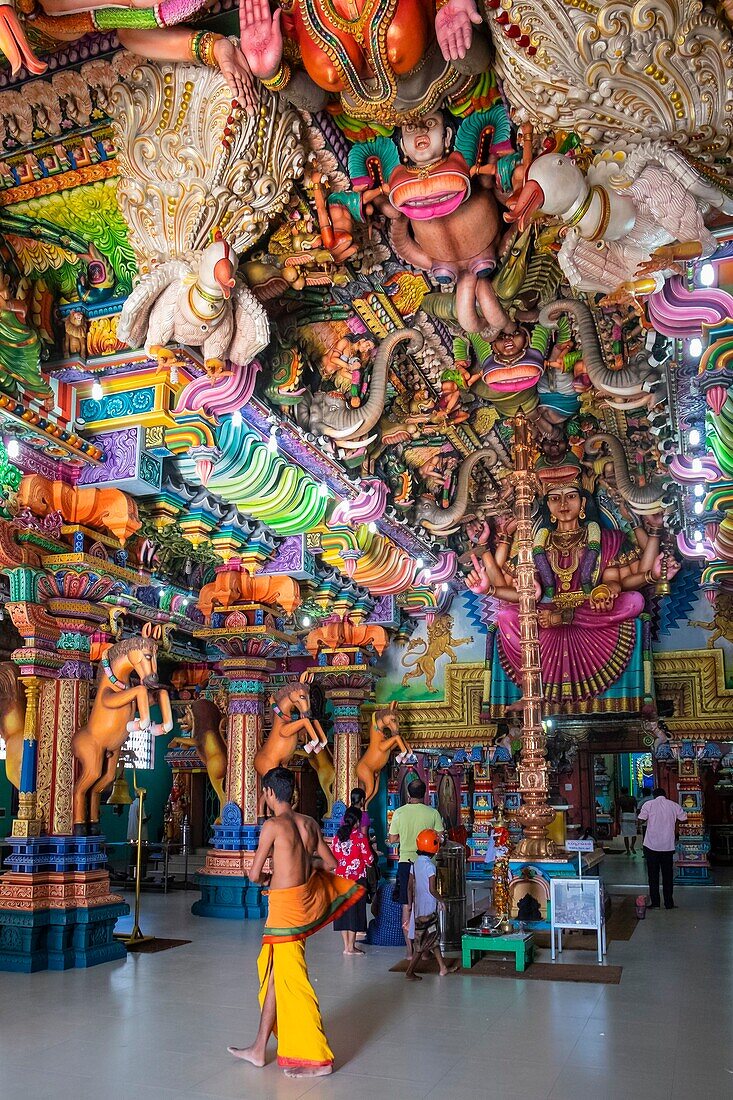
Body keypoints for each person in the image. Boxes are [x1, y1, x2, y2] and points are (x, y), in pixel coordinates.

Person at [227, 767, 363, 1078]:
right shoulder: (310, 823)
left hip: (283, 912)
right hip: (299, 905)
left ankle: (319, 1059)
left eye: (264, 792)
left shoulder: (273, 826)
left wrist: (271, 875)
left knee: (294, 981)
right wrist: (304, 865)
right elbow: (330, 863)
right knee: (274, 973)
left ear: (270, 794)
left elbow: (253, 874)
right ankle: (259, 1048)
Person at [387, 778, 444, 957]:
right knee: (426, 908)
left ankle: (410, 951)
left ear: (409, 794)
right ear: (425, 793)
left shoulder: (399, 813)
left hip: (406, 863)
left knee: (407, 906)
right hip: (427, 865)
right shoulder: (432, 813)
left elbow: (393, 839)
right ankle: (426, 950)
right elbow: (440, 838)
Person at [405, 829, 459, 981]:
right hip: (429, 909)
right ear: (433, 847)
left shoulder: (414, 864)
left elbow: (409, 887)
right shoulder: (430, 867)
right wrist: (442, 901)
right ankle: (409, 972)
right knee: (422, 944)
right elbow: (432, 889)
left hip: (418, 908)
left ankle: (443, 968)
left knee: (433, 937)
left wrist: (409, 904)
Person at [332, 806, 373, 955]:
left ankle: (346, 946)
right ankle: (351, 946)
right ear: (357, 821)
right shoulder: (360, 838)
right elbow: (369, 859)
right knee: (355, 912)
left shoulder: (338, 836)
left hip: (340, 880)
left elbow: (333, 856)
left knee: (343, 911)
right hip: (357, 880)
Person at [638, 787, 687, 910]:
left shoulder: (648, 804)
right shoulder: (673, 805)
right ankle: (669, 903)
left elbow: (641, 819)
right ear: (665, 795)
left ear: (654, 795)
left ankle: (655, 903)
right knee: (667, 875)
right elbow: (684, 818)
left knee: (653, 875)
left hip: (651, 845)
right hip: (667, 846)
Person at [616, 787, 638, 855]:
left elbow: (617, 809)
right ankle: (632, 846)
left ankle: (628, 850)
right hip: (632, 816)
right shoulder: (633, 798)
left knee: (626, 835)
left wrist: (617, 819)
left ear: (621, 792)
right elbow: (636, 807)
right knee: (634, 833)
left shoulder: (620, 799)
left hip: (624, 816)